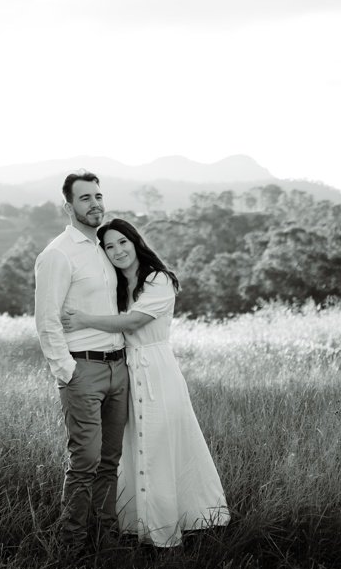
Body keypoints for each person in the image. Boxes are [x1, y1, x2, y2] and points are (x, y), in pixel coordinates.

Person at [60, 219, 229, 548]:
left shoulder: (158, 280)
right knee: (133, 450)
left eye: (122, 242)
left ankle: (168, 530)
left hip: (157, 371)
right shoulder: (117, 287)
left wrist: (83, 319)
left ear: (135, 242)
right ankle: (137, 525)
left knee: (160, 449)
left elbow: (135, 321)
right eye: (109, 246)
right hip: (127, 371)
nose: (118, 251)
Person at [33, 170, 129, 564]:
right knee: (85, 461)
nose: (95, 204)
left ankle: (106, 539)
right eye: (85, 198)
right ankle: (70, 546)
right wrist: (66, 371)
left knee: (110, 461)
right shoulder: (57, 253)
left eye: (98, 196)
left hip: (118, 369)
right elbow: (46, 320)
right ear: (68, 206)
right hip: (83, 372)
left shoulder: (104, 248)